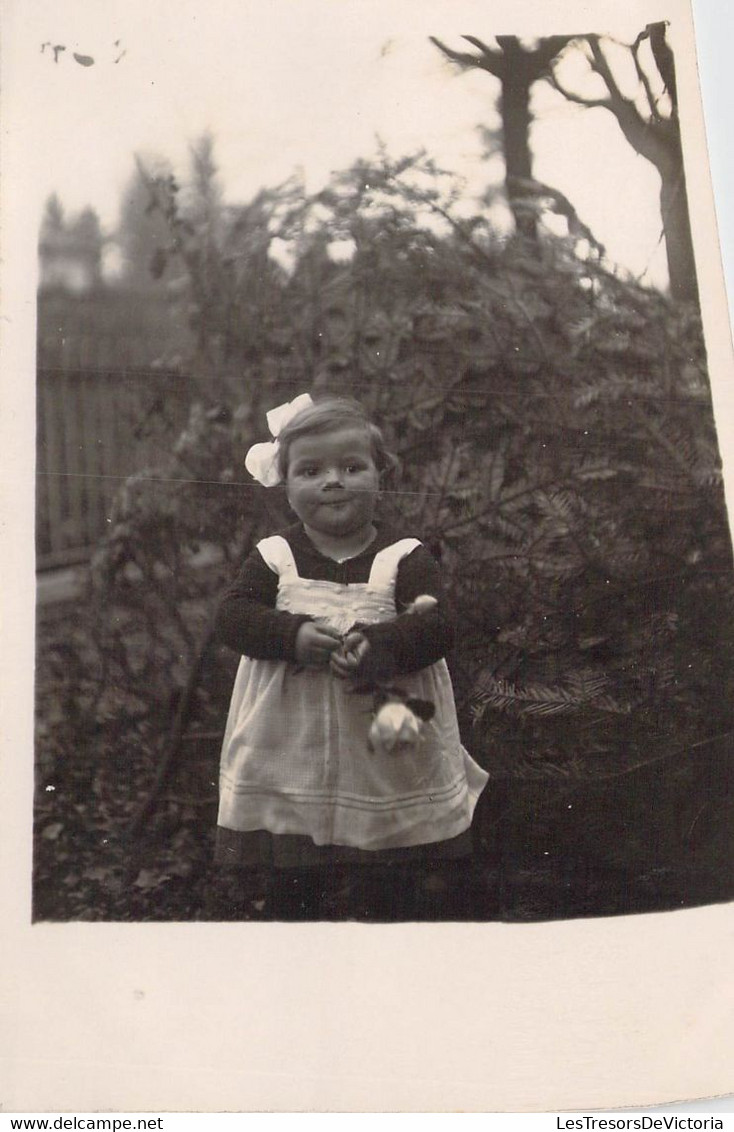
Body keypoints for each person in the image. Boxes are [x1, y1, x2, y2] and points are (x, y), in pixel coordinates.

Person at [212, 393, 488, 919]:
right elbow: (233, 617)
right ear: (286, 485)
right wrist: (288, 635)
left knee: (387, 881)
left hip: (384, 752)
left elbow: (437, 624)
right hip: (290, 745)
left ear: (380, 474)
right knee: (294, 882)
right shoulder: (276, 557)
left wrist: (381, 645)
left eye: (351, 466)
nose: (332, 480)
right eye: (311, 470)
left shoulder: (403, 557)